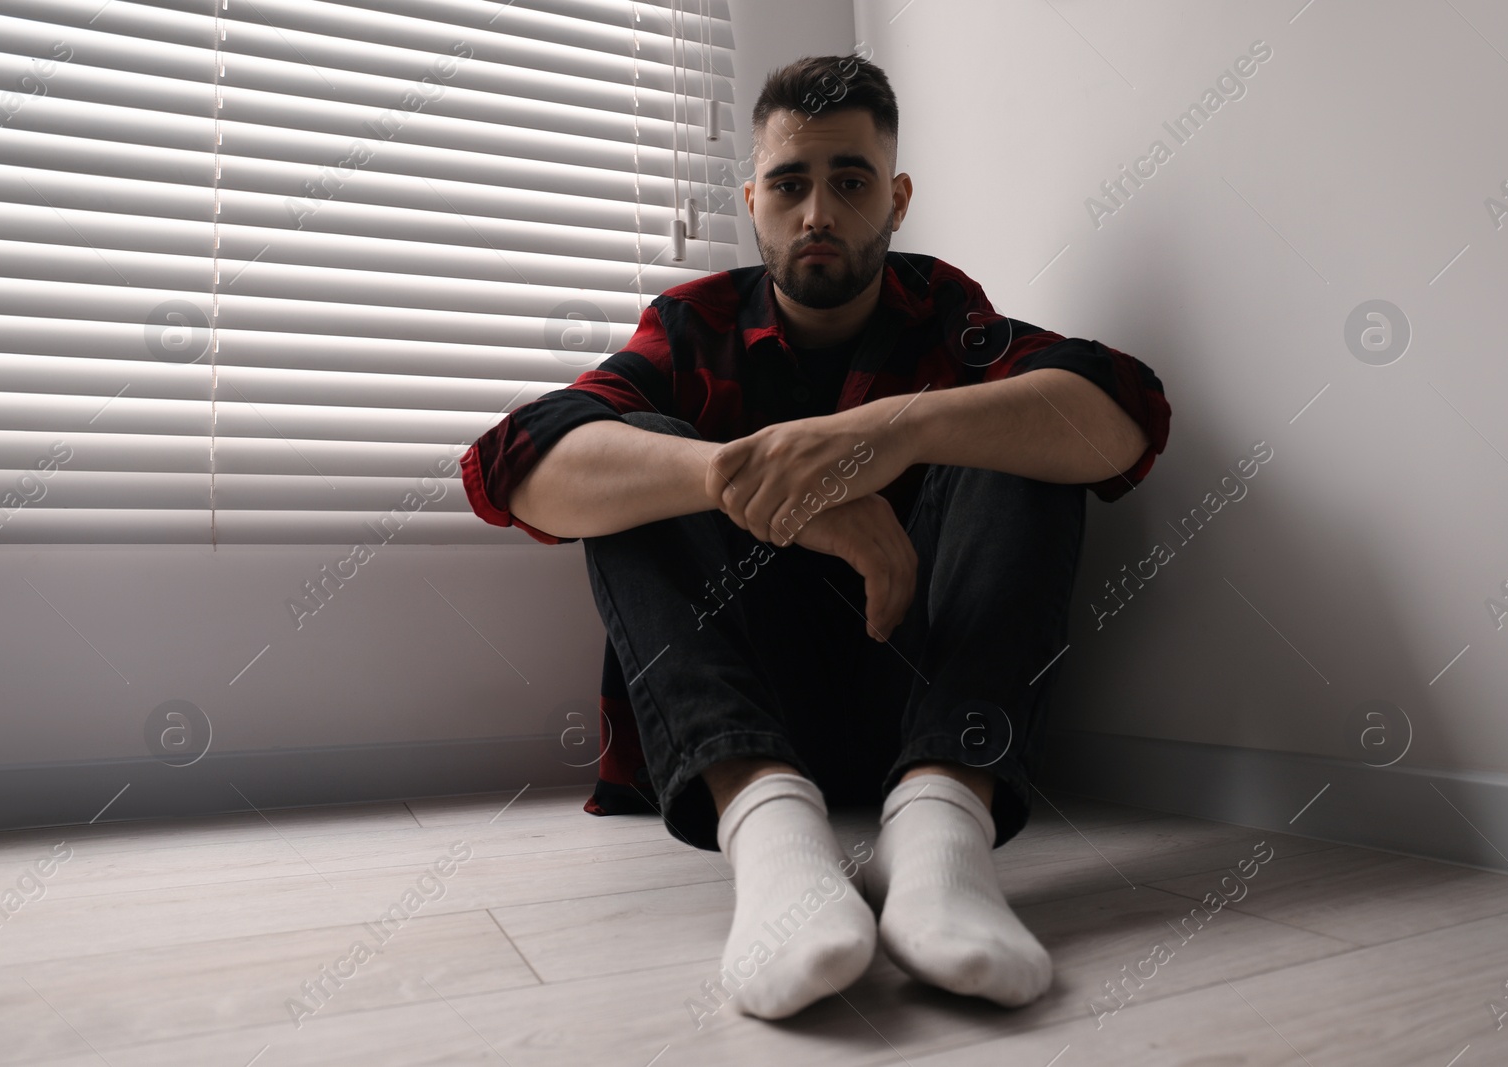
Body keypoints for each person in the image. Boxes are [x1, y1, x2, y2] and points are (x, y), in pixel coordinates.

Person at [459, 54, 1171, 1020]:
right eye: (790, 184)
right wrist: (741, 477)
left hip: (925, 694)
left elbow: (1120, 413)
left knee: (1018, 422)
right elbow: (518, 463)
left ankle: (940, 845)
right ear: (753, 200)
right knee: (634, 456)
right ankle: (772, 839)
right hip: (741, 712)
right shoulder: (692, 326)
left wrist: (880, 437)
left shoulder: (945, 314)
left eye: (850, 180)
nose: (818, 212)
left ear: (898, 197)